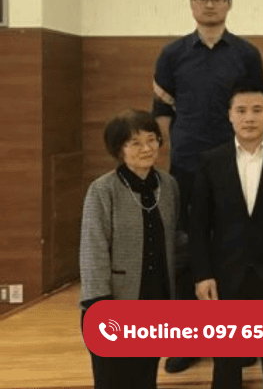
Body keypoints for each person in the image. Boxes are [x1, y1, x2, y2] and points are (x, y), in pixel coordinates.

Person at [152, 0, 263, 374]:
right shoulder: (172, 54)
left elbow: (255, 108)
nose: (210, 4)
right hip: (187, 167)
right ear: (191, 4)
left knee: (235, 250)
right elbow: (161, 112)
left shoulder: (247, 54)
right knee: (186, 252)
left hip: (235, 168)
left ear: (229, 4)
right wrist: (175, 154)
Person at [189, 83, 263, 389]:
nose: (249, 118)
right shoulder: (211, 161)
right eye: (241, 111)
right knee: (226, 366)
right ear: (230, 115)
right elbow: (198, 224)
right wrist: (202, 274)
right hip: (226, 275)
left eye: (257, 110)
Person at [79, 110, 178, 389]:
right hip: (113, 303)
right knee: (112, 379)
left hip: (155, 300)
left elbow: (176, 241)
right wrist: (99, 304)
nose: (146, 148)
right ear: (119, 149)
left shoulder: (169, 186)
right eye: (135, 143)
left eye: (152, 140)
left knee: (145, 377)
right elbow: (93, 249)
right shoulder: (103, 189)